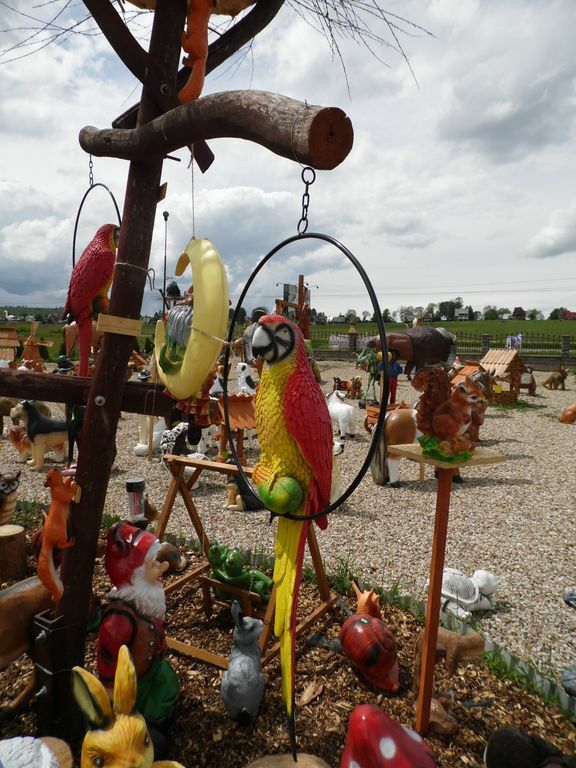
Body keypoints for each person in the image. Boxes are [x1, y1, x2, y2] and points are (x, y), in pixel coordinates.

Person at [97, 522, 179, 756]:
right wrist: (111, 688)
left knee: (167, 682)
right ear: (136, 574)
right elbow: (107, 657)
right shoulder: (120, 621)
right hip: (133, 679)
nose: (162, 568)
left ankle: (157, 719)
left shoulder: (145, 603)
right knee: (138, 703)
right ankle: (145, 727)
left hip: (151, 667)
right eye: (154, 565)